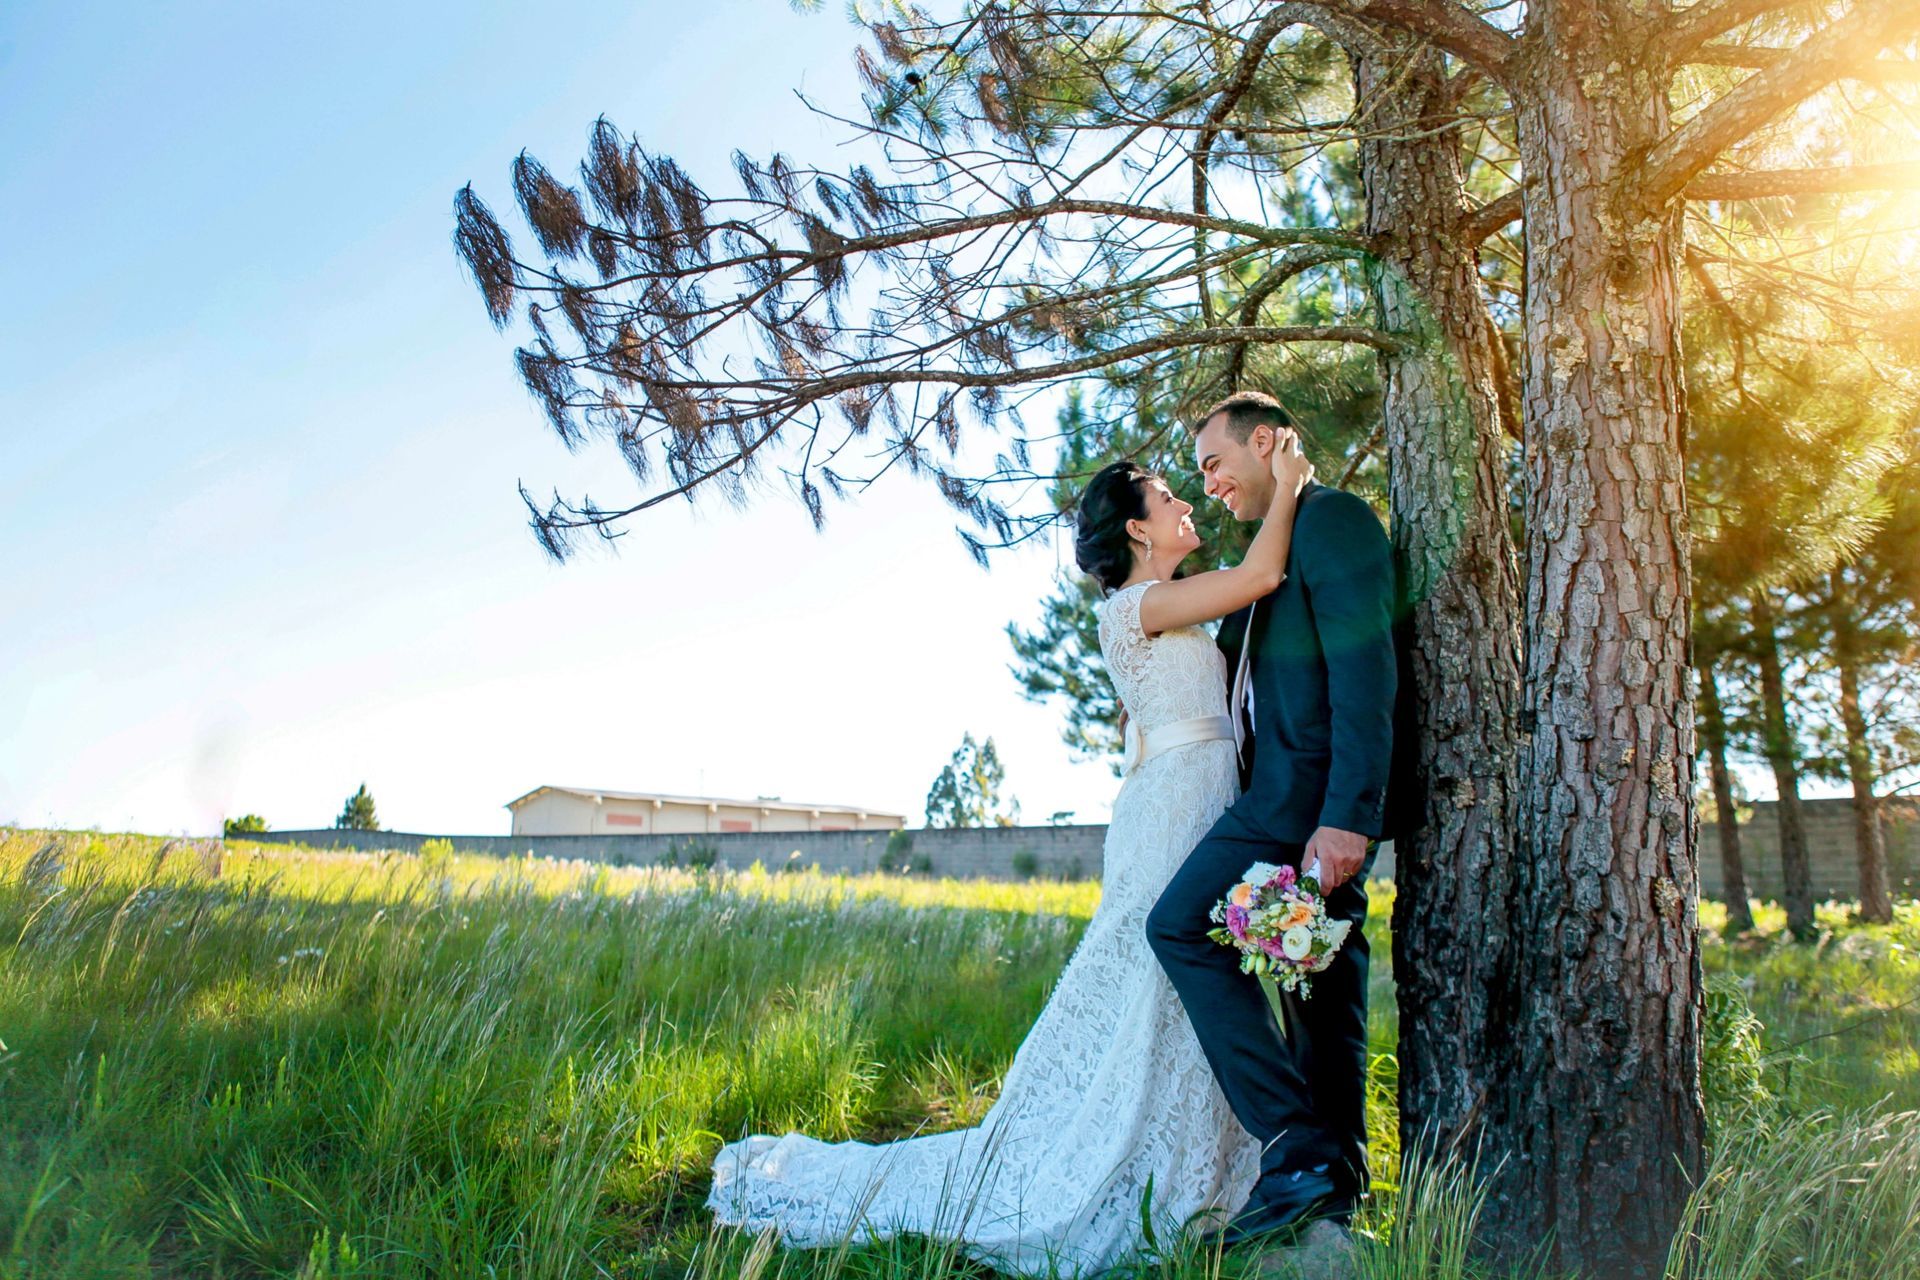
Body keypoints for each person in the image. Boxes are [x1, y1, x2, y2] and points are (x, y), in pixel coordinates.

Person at [705, 431, 1316, 1275]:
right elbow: (1258, 577)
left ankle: (1213, 1162)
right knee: (1158, 973)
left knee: (1189, 981)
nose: (1184, 504)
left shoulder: (1172, 604)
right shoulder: (1132, 608)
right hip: (1175, 809)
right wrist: (1289, 483)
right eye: (1169, 498)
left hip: (1198, 801)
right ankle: (1129, 1157)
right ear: (1138, 530)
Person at [1146, 389, 1405, 1253]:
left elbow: (1365, 670)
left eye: (1215, 464)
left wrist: (1346, 817)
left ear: (1266, 442)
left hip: (1305, 805)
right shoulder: (1278, 543)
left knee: (1179, 927)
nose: (1210, 484)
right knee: (1321, 992)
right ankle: (1327, 1179)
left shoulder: (1333, 522)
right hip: (1274, 802)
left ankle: (1295, 1146)